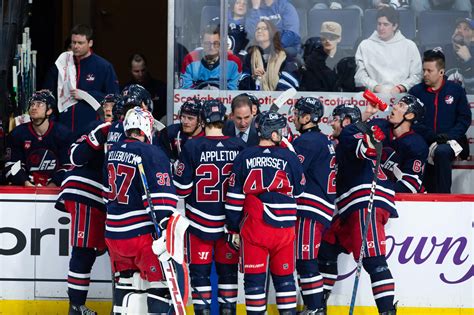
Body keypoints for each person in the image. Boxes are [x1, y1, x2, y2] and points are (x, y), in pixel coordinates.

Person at [318, 104, 398, 315]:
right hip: (351, 207)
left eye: (335, 118)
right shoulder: (342, 139)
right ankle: (319, 307)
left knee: (374, 260)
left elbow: (364, 149)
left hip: (364, 203)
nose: (331, 123)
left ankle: (387, 311)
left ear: (346, 120)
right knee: (327, 247)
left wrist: (368, 144)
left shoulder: (350, 131)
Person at [225, 111, 305, 314]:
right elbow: (300, 189)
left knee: (254, 282)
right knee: (285, 279)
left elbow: (234, 198)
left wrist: (234, 227)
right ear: (274, 133)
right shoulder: (289, 156)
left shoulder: (245, 155)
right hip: (284, 229)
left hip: (255, 227)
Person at [173, 99, 246, 315]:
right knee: (228, 274)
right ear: (225, 119)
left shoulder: (193, 146)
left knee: (200, 274)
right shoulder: (240, 146)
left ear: (203, 120)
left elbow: (182, 189)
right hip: (230, 226)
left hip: (199, 223)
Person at [104, 107, 177, 314]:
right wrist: (165, 230)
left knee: (125, 283)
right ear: (146, 128)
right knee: (159, 285)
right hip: (141, 238)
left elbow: (106, 192)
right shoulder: (150, 152)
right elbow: (161, 201)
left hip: (114, 235)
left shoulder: (113, 151)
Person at [57, 101, 114, 315]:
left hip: (105, 199)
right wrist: (100, 134)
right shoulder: (95, 126)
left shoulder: (127, 131)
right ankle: (75, 307)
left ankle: (117, 305)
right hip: (86, 192)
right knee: (83, 250)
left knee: (111, 253)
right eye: (107, 109)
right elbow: (74, 156)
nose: (110, 112)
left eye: (113, 108)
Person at [291, 97, 336, 314]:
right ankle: (315, 307)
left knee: (306, 261)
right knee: (305, 260)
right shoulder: (321, 139)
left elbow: (292, 171)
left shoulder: (307, 142)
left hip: (311, 208)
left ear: (307, 117)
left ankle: (316, 309)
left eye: (297, 112)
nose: (294, 116)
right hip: (320, 207)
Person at [409, 48, 471, 193]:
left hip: (451, 141)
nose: (425, 74)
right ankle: (418, 195)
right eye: (424, 70)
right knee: (416, 150)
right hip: (425, 139)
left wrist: (450, 136)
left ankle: (444, 198)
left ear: (441, 72)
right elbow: (412, 120)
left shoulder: (456, 90)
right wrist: (432, 136)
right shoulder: (416, 92)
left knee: (442, 152)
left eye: (429, 71)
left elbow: (464, 118)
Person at [43, 24, 119, 133]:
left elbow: (114, 98)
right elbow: (49, 93)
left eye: (80, 43)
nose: (76, 46)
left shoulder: (103, 66)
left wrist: (86, 95)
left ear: (90, 43)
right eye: (73, 42)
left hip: (91, 126)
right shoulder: (61, 63)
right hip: (64, 126)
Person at [5, 90, 71, 187]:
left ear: (49, 110)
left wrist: (53, 184)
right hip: (26, 188)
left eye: (39, 104)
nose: (34, 107)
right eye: (32, 104)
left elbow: (68, 166)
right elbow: (11, 165)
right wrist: (26, 183)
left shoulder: (64, 134)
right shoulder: (17, 134)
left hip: (56, 190)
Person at [366, 95, 429, 193]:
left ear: (410, 115)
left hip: (405, 201)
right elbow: (348, 136)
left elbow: (409, 186)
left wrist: (378, 191)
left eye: (401, 105)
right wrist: (367, 113)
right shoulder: (379, 126)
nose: (394, 106)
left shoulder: (417, 145)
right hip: (375, 192)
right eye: (397, 104)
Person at [354, 7, 421, 94]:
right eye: (379, 24)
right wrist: (375, 87)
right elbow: (359, 76)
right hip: (373, 96)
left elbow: (417, 76)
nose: (381, 28)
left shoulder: (409, 46)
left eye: (385, 24)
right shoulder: (365, 45)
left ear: (395, 26)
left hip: (402, 97)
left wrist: (401, 87)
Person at [238, 19, 299, 91]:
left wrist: (276, 76)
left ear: (272, 32)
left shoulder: (284, 56)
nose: (259, 31)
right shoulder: (249, 56)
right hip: (256, 99)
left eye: (264, 29)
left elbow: (292, 83)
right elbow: (242, 85)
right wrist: (253, 77)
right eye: (257, 29)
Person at [180, 24, 242, 90]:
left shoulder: (234, 62)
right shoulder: (190, 59)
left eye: (215, 43)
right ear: (202, 42)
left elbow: (234, 91)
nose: (211, 47)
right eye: (207, 43)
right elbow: (185, 89)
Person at [300, 22, 354, 92]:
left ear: (339, 39)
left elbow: (350, 87)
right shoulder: (311, 60)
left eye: (332, 37)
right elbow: (310, 87)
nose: (327, 40)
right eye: (324, 36)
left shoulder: (347, 61)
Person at [124, 53, 167, 120]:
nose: (140, 74)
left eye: (143, 70)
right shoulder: (126, 90)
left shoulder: (160, 87)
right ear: (130, 70)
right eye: (136, 71)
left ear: (147, 68)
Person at [443, 18, 474, 94]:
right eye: (458, 27)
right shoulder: (442, 53)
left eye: (466, 29)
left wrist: (468, 60)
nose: (459, 30)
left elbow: (472, 89)